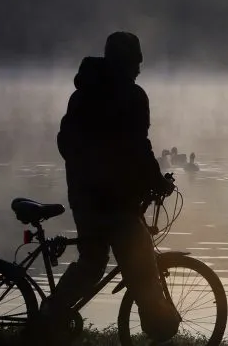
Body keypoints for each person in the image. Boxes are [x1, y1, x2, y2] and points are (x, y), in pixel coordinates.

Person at [32, 32, 180, 345]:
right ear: (128, 61)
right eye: (137, 61)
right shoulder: (132, 97)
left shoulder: (83, 93)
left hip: (85, 196)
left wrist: (86, 173)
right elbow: (139, 148)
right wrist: (156, 183)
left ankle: (50, 317)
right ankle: (159, 325)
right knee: (140, 261)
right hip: (115, 201)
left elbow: (66, 142)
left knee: (92, 262)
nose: (140, 68)